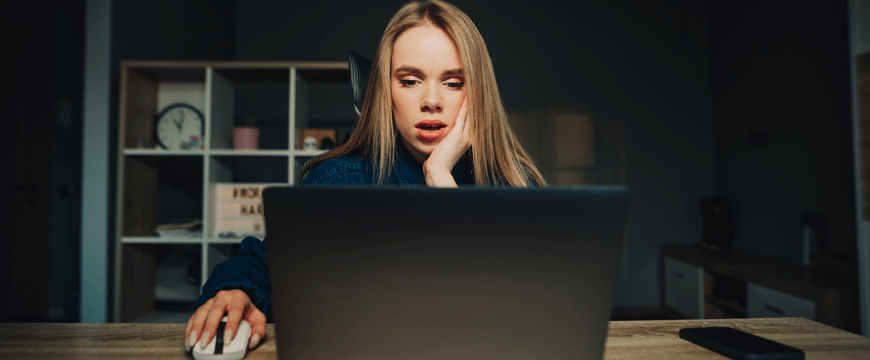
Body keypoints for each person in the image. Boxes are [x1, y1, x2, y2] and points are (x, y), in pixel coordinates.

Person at [184, 0, 546, 352]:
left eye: (453, 83)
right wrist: (236, 291)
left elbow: (529, 302)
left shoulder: (514, 184)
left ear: (478, 94)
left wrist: (441, 179)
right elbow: (261, 264)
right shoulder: (338, 182)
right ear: (384, 91)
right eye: (409, 81)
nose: (431, 101)